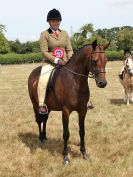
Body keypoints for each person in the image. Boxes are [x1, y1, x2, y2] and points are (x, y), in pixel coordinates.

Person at [38, 8, 94, 114]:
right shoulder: (44, 34)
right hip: (50, 63)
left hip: (65, 62)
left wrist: (71, 60)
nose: (56, 23)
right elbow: (44, 52)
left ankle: (86, 101)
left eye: (57, 21)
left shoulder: (64, 33)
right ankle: (42, 104)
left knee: (84, 76)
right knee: (43, 78)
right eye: (53, 21)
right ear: (49, 22)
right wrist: (56, 60)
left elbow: (69, 49)